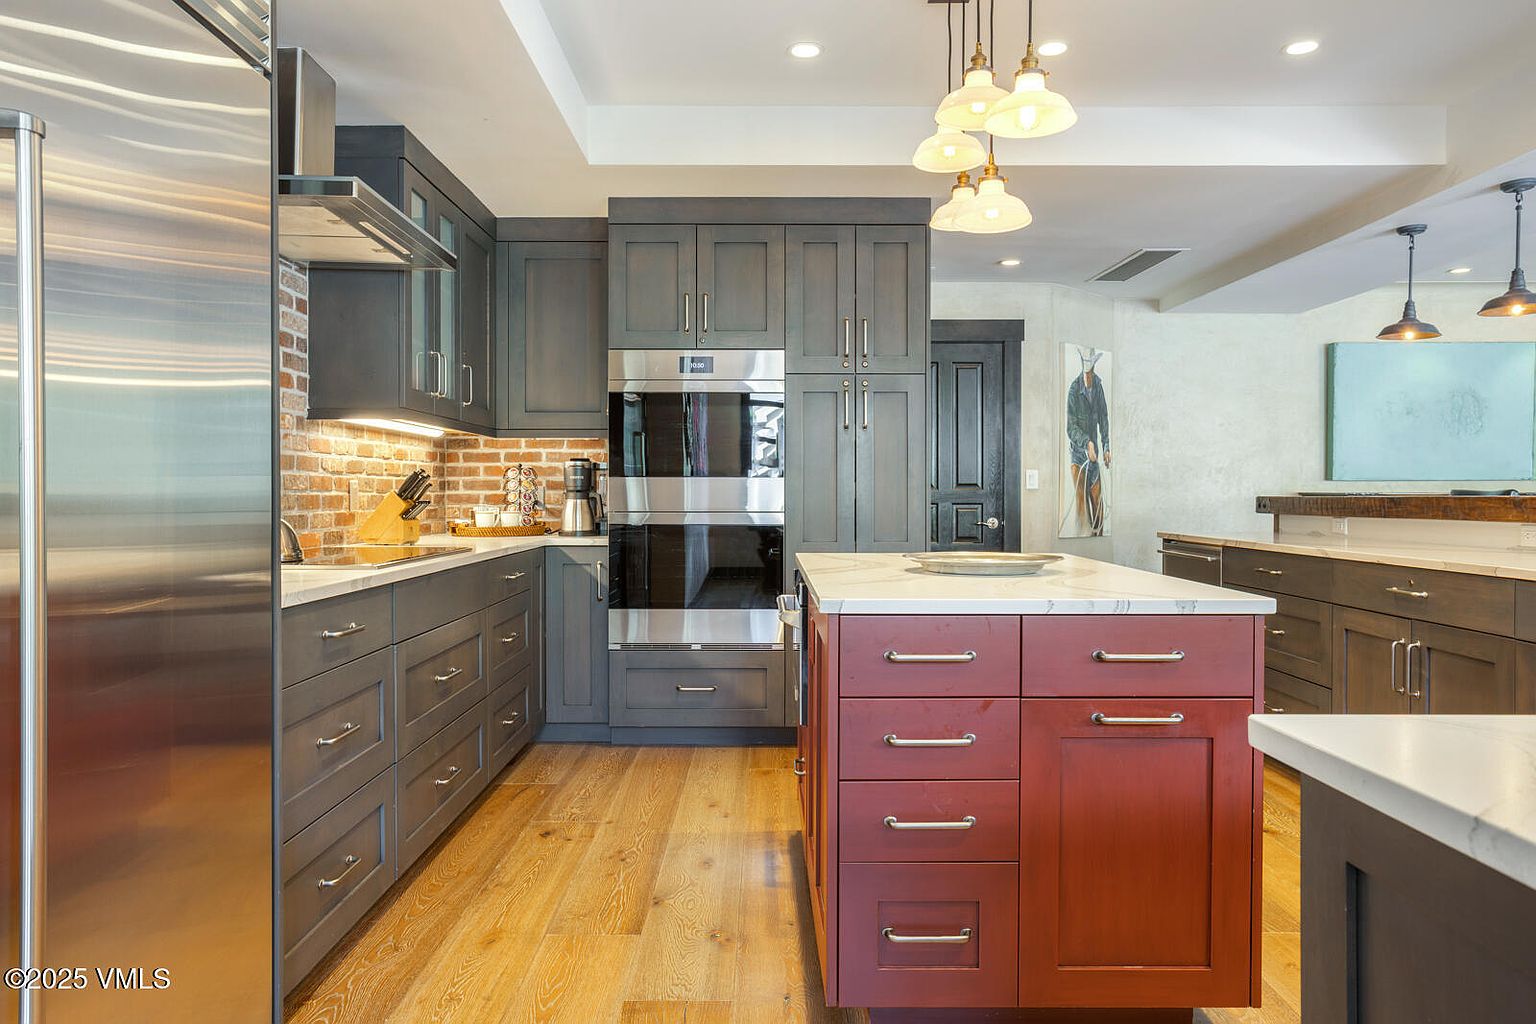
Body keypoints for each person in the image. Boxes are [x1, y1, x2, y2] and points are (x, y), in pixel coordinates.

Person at [1066, 347, 1111, 535]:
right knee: (1082, 505)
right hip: (1078, 457)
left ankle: (1097, 539)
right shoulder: (1074, 390)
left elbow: (1103, 418)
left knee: (1098, 505)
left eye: (1090, 373)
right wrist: (1088, 443)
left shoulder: (1098, 386)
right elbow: (1071, 427)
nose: (1088, 377)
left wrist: (1106, 446)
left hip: (1094, 459)